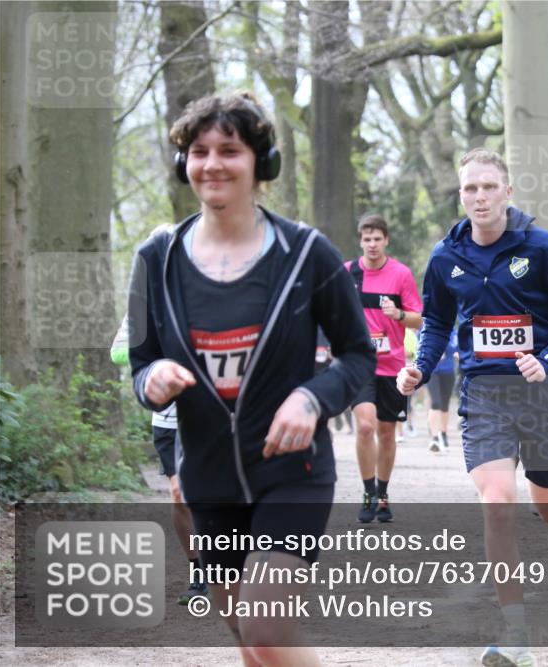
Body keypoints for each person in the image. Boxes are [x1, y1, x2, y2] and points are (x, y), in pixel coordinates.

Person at [127, 91, 374, 667]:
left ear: (261, 165)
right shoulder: (155, 258)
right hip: (209, 479)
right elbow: (140, 363)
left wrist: (313, 399)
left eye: (229, 150)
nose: (212, 163)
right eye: (198, 150)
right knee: (248, 639)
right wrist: (153, 378)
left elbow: (358, 355)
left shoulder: (305, 253)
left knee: (264, 627)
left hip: (292, 472)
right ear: (182, 162)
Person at [397, 148, 548, 667]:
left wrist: (547, 361)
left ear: (507, 192)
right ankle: (516, 635)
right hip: (484, 394)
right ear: (460, 196)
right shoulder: (445, 257)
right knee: (497, 502)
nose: (479, 197)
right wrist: (419, 366)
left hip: (544, 393)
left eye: (488, 187)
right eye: (470, 189)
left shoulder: (542, 247)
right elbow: (437, 323)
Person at [112, 310, 208, 605]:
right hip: (167, 420)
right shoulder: (146, 302)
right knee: (179, 494)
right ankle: (198, 571)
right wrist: (158, 361)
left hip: (213, 413)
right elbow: (117, 352)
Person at [346, 214, 423, 524]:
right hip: (358, 364)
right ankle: (368, 492)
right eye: (367, 239)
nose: (372, 244)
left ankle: (383, 493)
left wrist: (400, 314)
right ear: (360, 241)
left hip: (391, 365)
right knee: (365, 427)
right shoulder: (347, 272)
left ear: (386, 240)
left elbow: (420, 319)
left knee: (387, 432)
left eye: (377, 238)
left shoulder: (400, 274)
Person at [427, 327, 458, 452]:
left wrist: (458, 354)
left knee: (445, 404)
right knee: (435, 402)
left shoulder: (453, 331)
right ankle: (434, 438)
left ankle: (443, 434)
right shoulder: (427, 327)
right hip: (432, 370)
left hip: (448, 371)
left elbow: (456, 347)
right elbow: (421, 345)